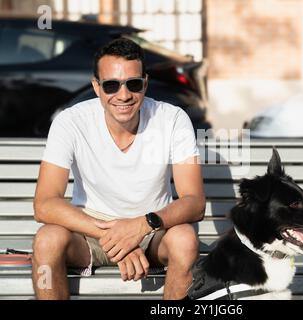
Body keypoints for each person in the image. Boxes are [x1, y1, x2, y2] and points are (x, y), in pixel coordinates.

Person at [32, 38, 206, 300]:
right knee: (47, 240)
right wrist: (118, 238)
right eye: (111, 85)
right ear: (96, 87)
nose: (123, 95)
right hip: (90, 233)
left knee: (185, 240)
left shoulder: (172, 119)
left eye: (133, 84)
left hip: (152, 233)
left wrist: (141, 226)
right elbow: (44, 204)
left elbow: (194, 202)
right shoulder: (71, 121)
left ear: (145, 84)